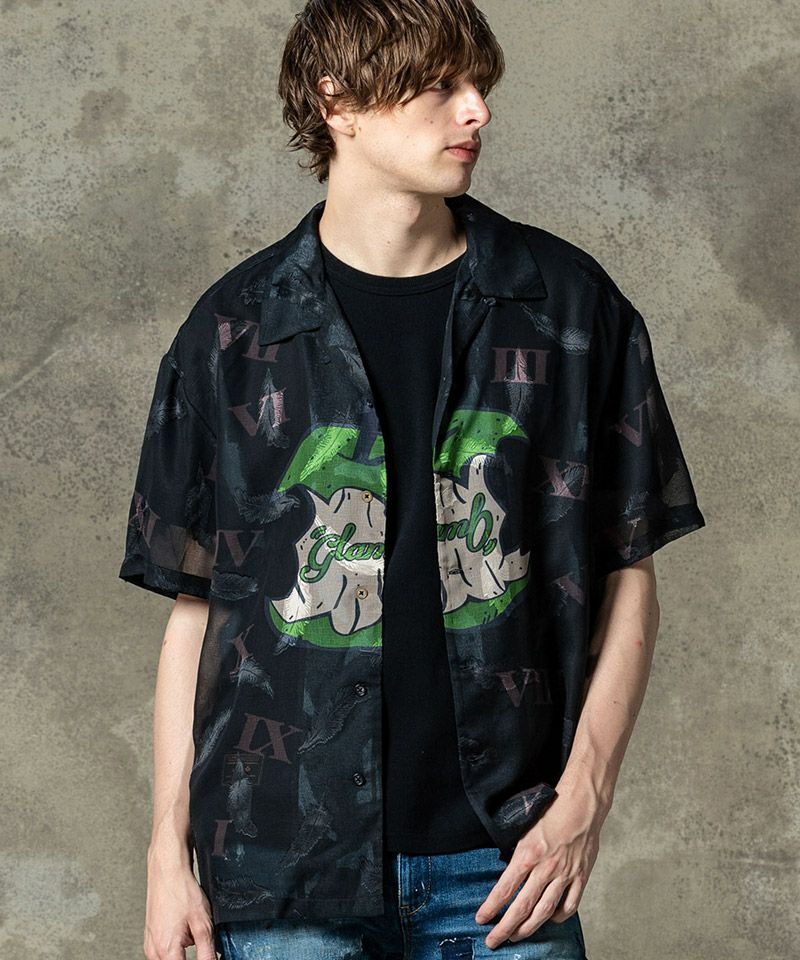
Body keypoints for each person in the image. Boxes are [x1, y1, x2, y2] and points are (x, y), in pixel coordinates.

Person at [119, 1, 707, 958]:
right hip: (281, 868)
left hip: (504, 866)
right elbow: (200, 612)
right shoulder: (233, 332)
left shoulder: (568, 309)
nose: (477, 111)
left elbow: (626, 569)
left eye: (480, 85)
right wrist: (163, 851)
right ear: (338, 102)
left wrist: (585, 798)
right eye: (440, 87)